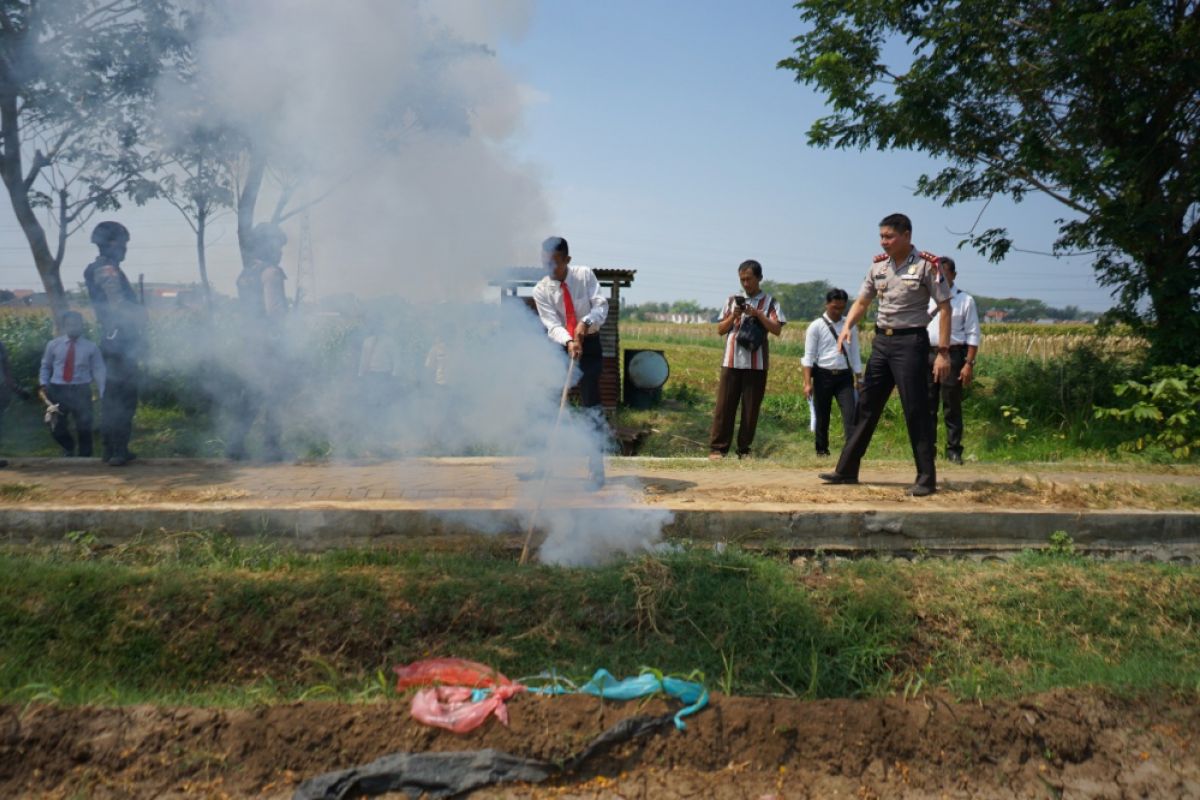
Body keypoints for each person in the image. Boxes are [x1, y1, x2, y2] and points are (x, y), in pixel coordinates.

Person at [819, 213, 951, 496]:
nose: (884, 242)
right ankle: (846, 470)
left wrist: (943, 352)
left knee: (916, 409)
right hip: (882, 343)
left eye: (889, 236)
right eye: (881, 236)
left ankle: (926, 479)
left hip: (911, 343)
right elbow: (863, 300)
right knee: (866, 406)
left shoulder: (928, 265)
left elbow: (945, 307)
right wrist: (847, 328)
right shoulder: (878, 267)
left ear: (907, 235)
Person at [532, 236, 608, 488]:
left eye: (554, 263)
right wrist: (569, 341)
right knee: (548, 404)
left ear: (567, 260)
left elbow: (600, 305)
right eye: (545, 263)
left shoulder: (585, 275)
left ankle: (596, 470)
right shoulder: (541, 289)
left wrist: (585, 325)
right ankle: (543, 466)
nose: (549, 268)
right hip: (559, 347)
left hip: (591, 345)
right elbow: (551, 324)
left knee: (590, 405)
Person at [708, 260, 786, 460]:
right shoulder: (731, 301)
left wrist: (758, 314)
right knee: (724, 407)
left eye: (749, 279)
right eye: (742, 279)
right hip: (731, 361)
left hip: (756, 364)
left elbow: (777, 329)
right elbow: (719, 330)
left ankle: (744, 449)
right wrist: (734, 315)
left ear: (759, 278)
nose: (745, 283)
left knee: (750, 410)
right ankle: (718, 448)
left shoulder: (770, 302)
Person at [226, 222, 290, 461]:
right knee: (273, 395)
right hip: (268, 344)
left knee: (251, 395)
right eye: (277, 245)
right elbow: (275, 312)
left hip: (249, 342)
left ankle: (235, 444)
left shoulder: (246, 273)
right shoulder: (271, 273)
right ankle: (272, 447)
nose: (280, 251)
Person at [84, 221, 145, 467]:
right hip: (121, 340)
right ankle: (117, 450)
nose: (125, 248)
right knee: (122, 397)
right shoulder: (107, 270)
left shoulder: (102, 268)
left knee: (114, 396)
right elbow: (119, 306)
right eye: (123, 243)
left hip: (114, 339)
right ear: (111, 243)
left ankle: (112, 449)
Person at [927, 257, 981, 465]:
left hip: (953, 354)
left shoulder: (964, 300)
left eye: (943, 274)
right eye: (935, 274)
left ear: (953, 275)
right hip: (927, 354)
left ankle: (953, 450)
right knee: (927, 404)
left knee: (952, 405)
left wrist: (969, 363)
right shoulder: (926, 298)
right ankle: (927, 450)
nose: (938, 278)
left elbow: (973, 334)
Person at [802, 288, 862, 456]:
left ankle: (851, 452)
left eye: (841, 307)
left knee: (850, 415)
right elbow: (808, 357)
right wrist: (807, 383)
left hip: (844, 376)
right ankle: (822, 450)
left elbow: (855, 353)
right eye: (834, 307)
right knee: (822, 415)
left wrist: (859, 377)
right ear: (827, 304)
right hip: (823, 375)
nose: (837, 311)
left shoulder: (850, 325)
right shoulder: (816, 326)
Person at [38, 311, 106, 457]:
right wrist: (43, 384)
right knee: (56, 426)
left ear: (82, 326)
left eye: (76, 324)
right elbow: (46, 366)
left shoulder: (91, 347)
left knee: (84, 426)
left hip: (81, 390)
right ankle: (68, 447)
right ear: (64, 326)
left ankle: (85, 457)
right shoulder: (53, 345)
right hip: (57, 390)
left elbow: (99, 370)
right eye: (69, 324)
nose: (73, 327)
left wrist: (103, 392)